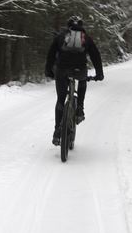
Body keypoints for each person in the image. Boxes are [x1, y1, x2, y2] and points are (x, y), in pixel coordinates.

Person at [44, 15, 104, 146]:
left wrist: (48, 70)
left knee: (60, 99)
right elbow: (95, 55)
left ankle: (57, 132)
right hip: (79, 70)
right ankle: (80, 107)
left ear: (68, 26)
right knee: (82, 80)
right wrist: (99, 73)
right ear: (82, 26)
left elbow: (51, 54)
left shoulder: (60, 36)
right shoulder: (86, 38)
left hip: (62, 70)